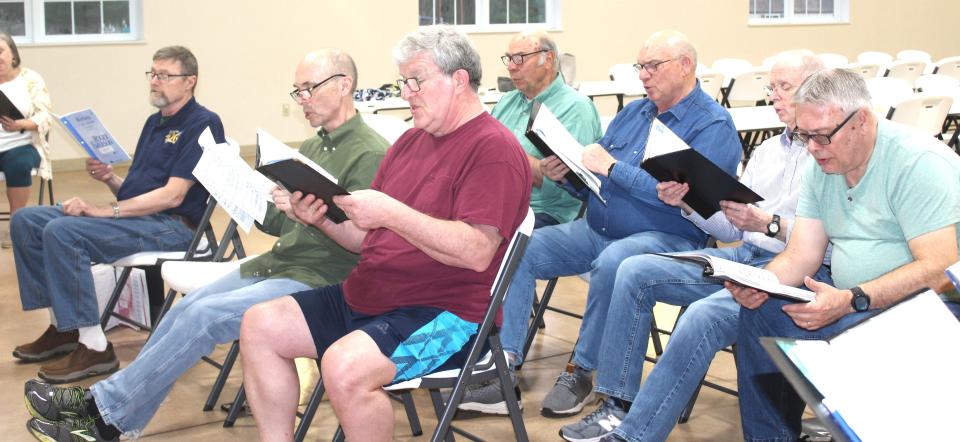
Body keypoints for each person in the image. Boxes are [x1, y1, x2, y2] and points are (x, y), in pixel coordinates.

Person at [21, 50, 388, 441]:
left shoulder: (370, 153)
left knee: (203, 315)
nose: (302, 101)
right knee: (188, 308)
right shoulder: (317, 146)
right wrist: (250, 192)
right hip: (281, 263)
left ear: (344, 84)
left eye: (308, 90)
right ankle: (109, 412)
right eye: (297, 91)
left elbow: (364, 244)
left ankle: (103, 413)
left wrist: (307, 215)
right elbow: (281, 224)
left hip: (321, 278)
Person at [239, 26, 529, 441]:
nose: (407, 93)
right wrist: (318, 218)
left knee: (344, 367)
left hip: (448, 315)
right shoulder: (410, 142)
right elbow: (364, 241)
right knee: (259, 325)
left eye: (416, 81)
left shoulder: (493, 149)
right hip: (371, 295)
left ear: (459, 80)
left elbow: (477, 252)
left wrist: (393, 213)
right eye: (403, 81)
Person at [459, 30, 742, 417]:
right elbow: (596, 180)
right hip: (596, 226)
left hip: (666, 236)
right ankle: (504, 367)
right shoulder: (633, 113)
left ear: (685, 66)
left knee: (616, 260)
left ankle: (581, 370)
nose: (643, 75)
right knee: (518, 247)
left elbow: (685, 196)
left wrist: (611, 168)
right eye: (640, 67)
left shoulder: (712, 125)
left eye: (653, 66)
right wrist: (569, 175)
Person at [558, 50, 827, 442]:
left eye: (784, 87)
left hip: (792, 268)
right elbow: (731, 230)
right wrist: (687, 201)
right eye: (772, 87)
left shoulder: (826, 154)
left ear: (816, 89)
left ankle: (637, 434)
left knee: (700, 316)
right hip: (744, 254)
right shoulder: (768, 151)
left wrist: (769, 223)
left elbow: (819, 239)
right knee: (633, 269)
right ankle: (617, 406)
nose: (774, 96)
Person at [728, 68, 960, 442]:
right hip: (856, 298)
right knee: (761, 309)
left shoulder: (916, 163)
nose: (813, 149)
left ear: (862, 121)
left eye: (822, 137)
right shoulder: (824, 166)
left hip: (930, 307)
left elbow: (940, 269)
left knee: (845, 333)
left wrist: (853, 299)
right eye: (805, 137)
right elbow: (803, 253)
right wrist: (760, 282)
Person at [10, 46, 224, 384]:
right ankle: (65, 328)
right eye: (152, 74)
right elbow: (135, 194)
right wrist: (109, 178)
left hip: (175, 228)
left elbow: (173, 196)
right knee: (27, 221)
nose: (155, 82)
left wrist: (100, 211)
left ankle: (95, 348)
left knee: (63, 232)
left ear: (190, 82)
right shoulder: (155, 123)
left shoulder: (203, 122)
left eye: (164, 75)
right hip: (140, 219)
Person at [491, 29, 602, 228]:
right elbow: (482, 156)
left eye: (520, 58)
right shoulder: (506, 102)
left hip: (543, 212)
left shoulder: (576, 108)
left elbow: (562, 187)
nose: (511, 67)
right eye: (509, 59)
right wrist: (534, 166)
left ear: (548, 59)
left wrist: (504, 157)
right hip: (496, 204)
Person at [0, 32, 53, 248]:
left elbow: (46, 115)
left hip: (22, 144)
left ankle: (17, 223)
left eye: (0, 51)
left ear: (12, 54)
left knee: (18, 163)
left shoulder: (30, 79)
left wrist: (21, 124)